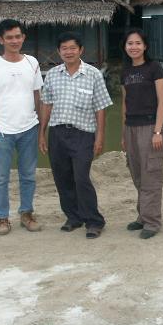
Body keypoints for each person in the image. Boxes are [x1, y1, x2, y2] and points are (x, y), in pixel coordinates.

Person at [38, 32, 113, 239]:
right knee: (62, 178)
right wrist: (42, 133)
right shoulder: (52, 74)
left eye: (72, 48)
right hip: (57, 133)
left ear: (81, 50)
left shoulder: (93, 74)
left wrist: (100, 137)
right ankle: (73, 217)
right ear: (59, 51)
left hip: (83, 134)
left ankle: (94, 221)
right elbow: (46, 105)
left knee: (81, 178)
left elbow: (100, 108)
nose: (68, 52)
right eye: (64, 48)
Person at [0, 19, 44, 235]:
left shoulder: (32, 63)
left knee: (28, 175)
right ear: (1, 40)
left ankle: (26, 213)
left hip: (29, 128)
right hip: (2, 130)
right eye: (9, 38)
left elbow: (37, 96)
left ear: (23, 37)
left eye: (18, 36)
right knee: (1, 177)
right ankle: (1, 217)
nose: (14, 41)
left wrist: (41, 128)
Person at [120, 28, 163, 239]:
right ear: (125, 47)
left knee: (151, 175)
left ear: (145, 46)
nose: (134, 47)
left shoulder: (155, 68)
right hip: (131, 127)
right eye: (130, 43)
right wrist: (123, 133)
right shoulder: (125, 72)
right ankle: (142, 216)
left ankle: (152, 222)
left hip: (150, 127)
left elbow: (162, 102)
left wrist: (158, 131)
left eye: (138, 43)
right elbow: (124, 103)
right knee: (137, 174)